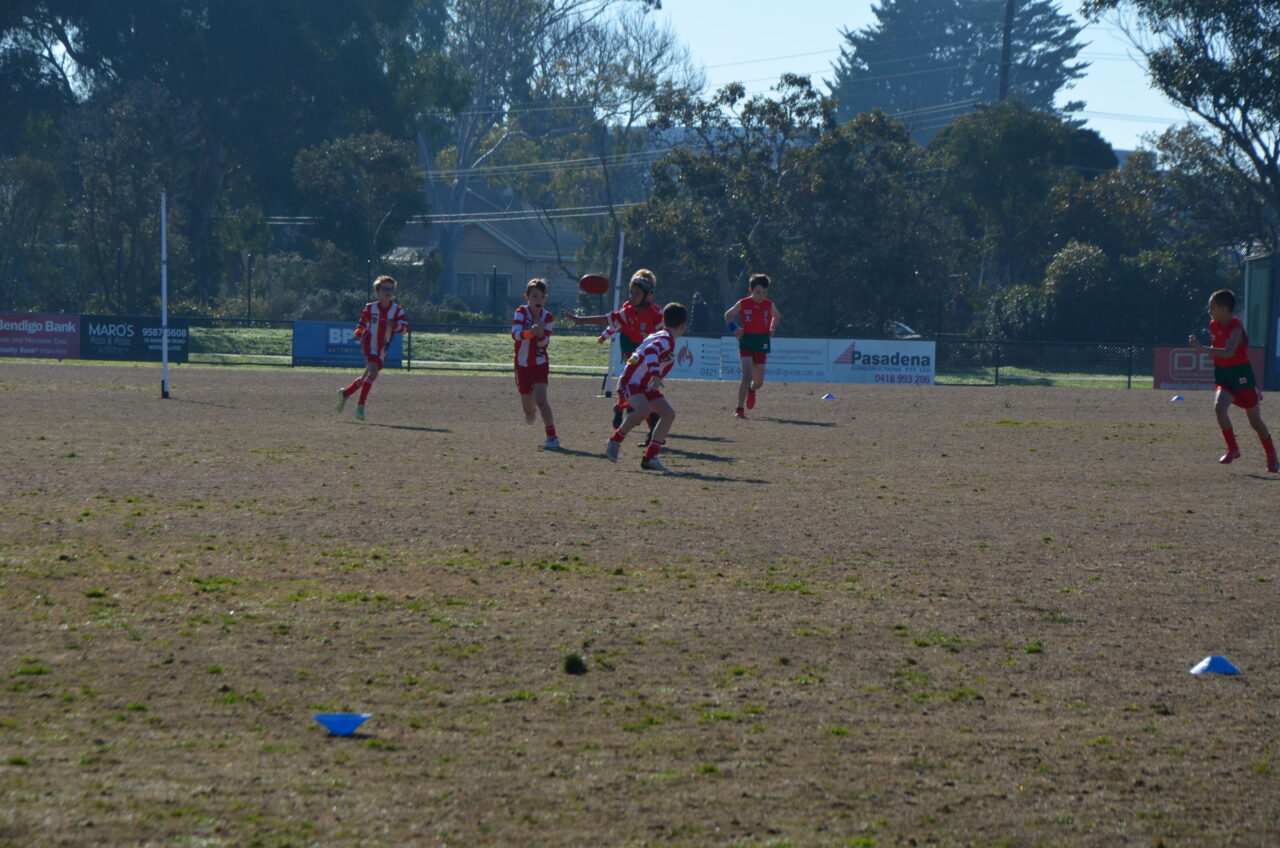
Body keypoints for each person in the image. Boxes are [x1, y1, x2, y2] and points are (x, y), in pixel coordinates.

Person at [1188, 288, 1278, 472]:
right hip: (1224, 376)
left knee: (1256, 423)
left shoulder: (1236, 328)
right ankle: (1233, 448)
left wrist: (1202, 349)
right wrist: (1208, 350)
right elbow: (1218, 347)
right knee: (1219, 408)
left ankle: (1272, 456)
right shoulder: (1213, 324)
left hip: (1242, 378)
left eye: (1212, 307)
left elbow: (1229, 352)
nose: (1209, 311)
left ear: (1224, 309)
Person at [565, 269, 664, 435]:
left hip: (649, 355)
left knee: (643, 388)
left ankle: (631, 412)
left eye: (637, 293)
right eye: (631, 292)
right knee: (634, 385)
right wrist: (581, 320)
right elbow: (610, 320)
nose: (632, 296)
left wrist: (664, 353)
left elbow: (664, 336)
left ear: (648, 295)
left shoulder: (656, 314)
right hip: (632, 351)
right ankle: (633, 413)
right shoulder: (627, 311)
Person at [604, 302, 689, 473]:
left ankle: (650, 458)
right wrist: (656, 374)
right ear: (683, 326)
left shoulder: (661, 335)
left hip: (643, 384)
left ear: (663, 320)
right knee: (644, 410)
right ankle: (614, 441)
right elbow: (650, 351)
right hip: (631, 381)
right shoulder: (666, 340)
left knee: (668, 413)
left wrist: (654, 375)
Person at [337, 275, 408, 421]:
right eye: (384, 288)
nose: (388, 292)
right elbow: (362, 323)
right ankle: (360, 405)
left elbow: (405, 328)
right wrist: (358, 333)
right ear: (378, 291)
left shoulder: (397, 310)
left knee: (366, 377)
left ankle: (345, 393)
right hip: (369, 343)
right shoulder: (370, 307)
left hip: (383, 348)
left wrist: (395, 325)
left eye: (391, 289)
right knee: (373, 373)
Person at [724, 273, 780, 419]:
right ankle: (739, 408)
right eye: (758, 292)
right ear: (751, 290)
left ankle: (752, 390)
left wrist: (772, 328)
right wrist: (735, 329)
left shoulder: (769, 305)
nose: (761, 295)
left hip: (761, 342)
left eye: (764, 292)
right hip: (747, 341)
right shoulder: (744, 303)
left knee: (759, 382)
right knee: (747, 376)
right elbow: (728, 315)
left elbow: (777, 316)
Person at [512, 278, 560, 449]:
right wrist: (530, 332)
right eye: (534, 296)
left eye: (541, 296)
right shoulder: (520, 312)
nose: (538, 300)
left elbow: (543, 344)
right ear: (527, 297)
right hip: (522, 364)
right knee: (529, 409)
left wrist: (540, 335)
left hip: (540, 363)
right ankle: (529, 410)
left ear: (545, 298)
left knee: (541, 400)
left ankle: (552, 437)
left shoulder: (548, 317)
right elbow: (515, 334)